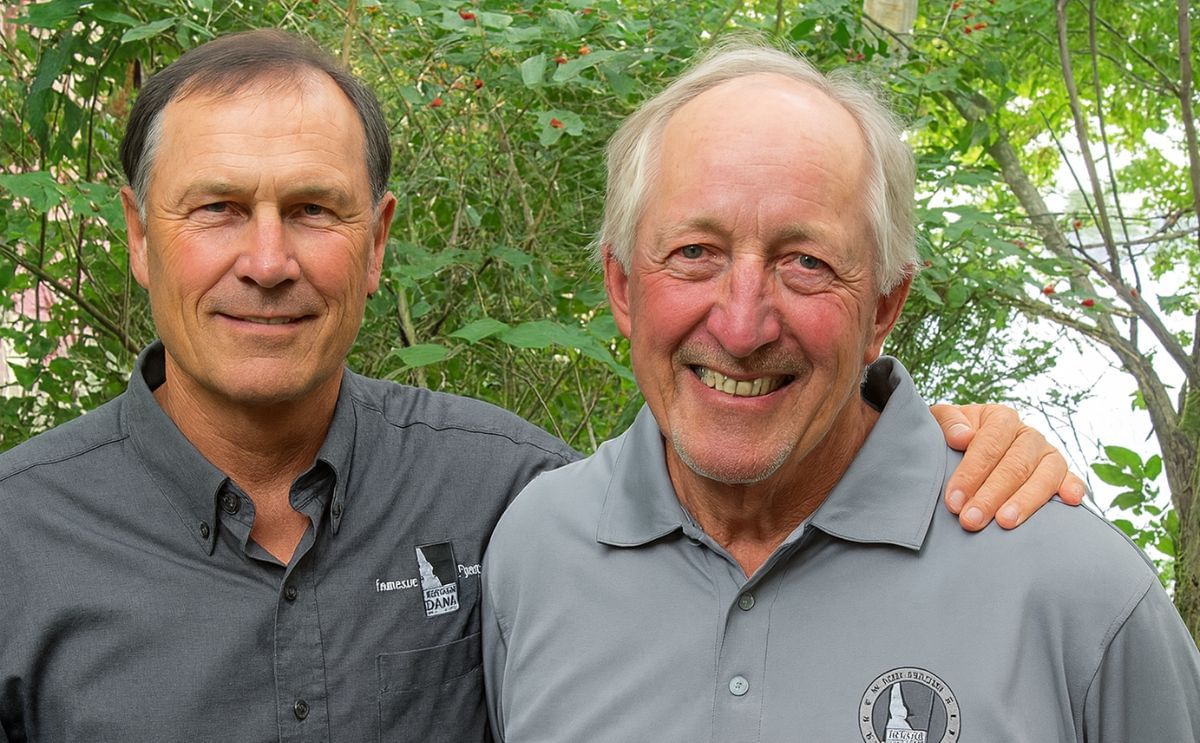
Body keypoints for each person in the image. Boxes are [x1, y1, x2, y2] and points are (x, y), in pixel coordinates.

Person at [0, 30, 1079, 743]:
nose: (271, 259)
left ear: (376, 244)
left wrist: (929, 440)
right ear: (141, 237)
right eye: (219, 208)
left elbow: (736, 443)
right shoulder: (19, 542)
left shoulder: (514, 499)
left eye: (316, 211)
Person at [481, 41, 1200, 741]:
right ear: (623, 286)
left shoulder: (1073, 588)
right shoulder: (535, 551)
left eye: (806, 262)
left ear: (883, 307)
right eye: (694, 252)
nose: (742, 327)